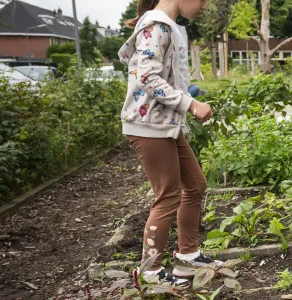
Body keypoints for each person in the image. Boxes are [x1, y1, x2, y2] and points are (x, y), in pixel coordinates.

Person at [119, 0, 219, 285]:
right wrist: (190, 104)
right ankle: (150, 272)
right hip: (148, 126)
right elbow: (147, 75)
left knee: (195, 185)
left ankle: (188, 253)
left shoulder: (169, 27)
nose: (204, 6)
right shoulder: (157, 26)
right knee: (168, 196)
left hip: (164, 125)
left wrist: (186, 102)